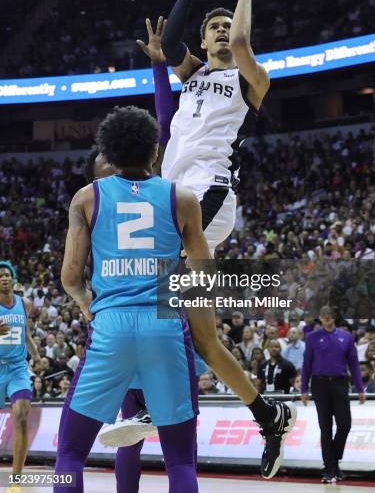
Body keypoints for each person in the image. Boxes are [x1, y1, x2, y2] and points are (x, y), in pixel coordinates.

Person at [54, 106, 295, 493]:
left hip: (110, 327)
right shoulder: (181, 198)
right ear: (155, 152)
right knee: (180, 461)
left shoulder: (85, 197)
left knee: (70, 456)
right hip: (164, 325)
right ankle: (265, 415)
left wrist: (87, 302)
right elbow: (205, 274)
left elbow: (70, 276)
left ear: (109, 154)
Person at [160, 0, 280, 256]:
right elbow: (169, 43)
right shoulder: (192, 73)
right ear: (203, 41)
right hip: (173, 186)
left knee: (170, 263)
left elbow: (242, 41)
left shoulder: (252, 79)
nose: (223, 31)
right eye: (214, 27)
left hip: (211, 187)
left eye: (227, 25)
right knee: (183, 292)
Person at [301, 306, 365, 484]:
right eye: (324, 316)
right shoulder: (312, 338)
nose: (327, 318)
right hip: (319, 384)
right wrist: (304, 388)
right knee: (325, 427)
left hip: (340, 383)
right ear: (320, 318)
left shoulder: (346, 337)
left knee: (345, 424)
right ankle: (329, 469)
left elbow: (354, 365)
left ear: (335, 317)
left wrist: (360, 388)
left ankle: (333, 461)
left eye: (330, 316)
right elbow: (307, 363)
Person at [0, 261, 40, 493]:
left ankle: (15, 481)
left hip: (17, 368)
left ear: (13, 279)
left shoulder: (24, 303)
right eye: (1, 276)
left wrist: (36, 355)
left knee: (22, 417)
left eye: (7, 275)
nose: (4, 278)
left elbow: (26, 334)